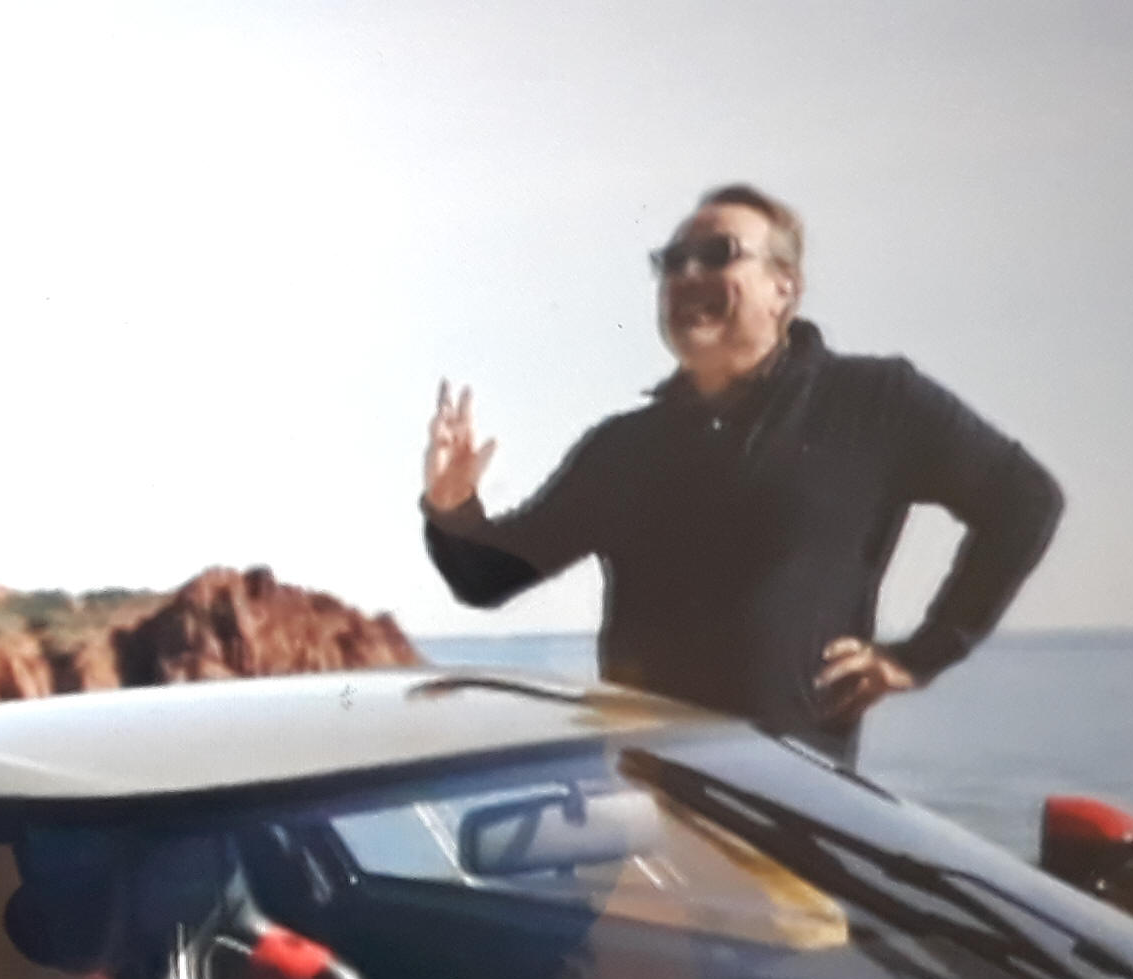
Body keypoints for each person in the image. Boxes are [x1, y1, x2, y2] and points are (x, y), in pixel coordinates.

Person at [420, 184, 1064, 758]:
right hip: (642, 799)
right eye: (673, 262)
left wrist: (922, 655)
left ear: (785, 286)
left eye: (717, 254)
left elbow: (1026, 501)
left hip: (793, 812)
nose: (687, 274)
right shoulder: (623, 448)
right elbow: (487, 578)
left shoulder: (873, 403)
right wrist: (452, 506)